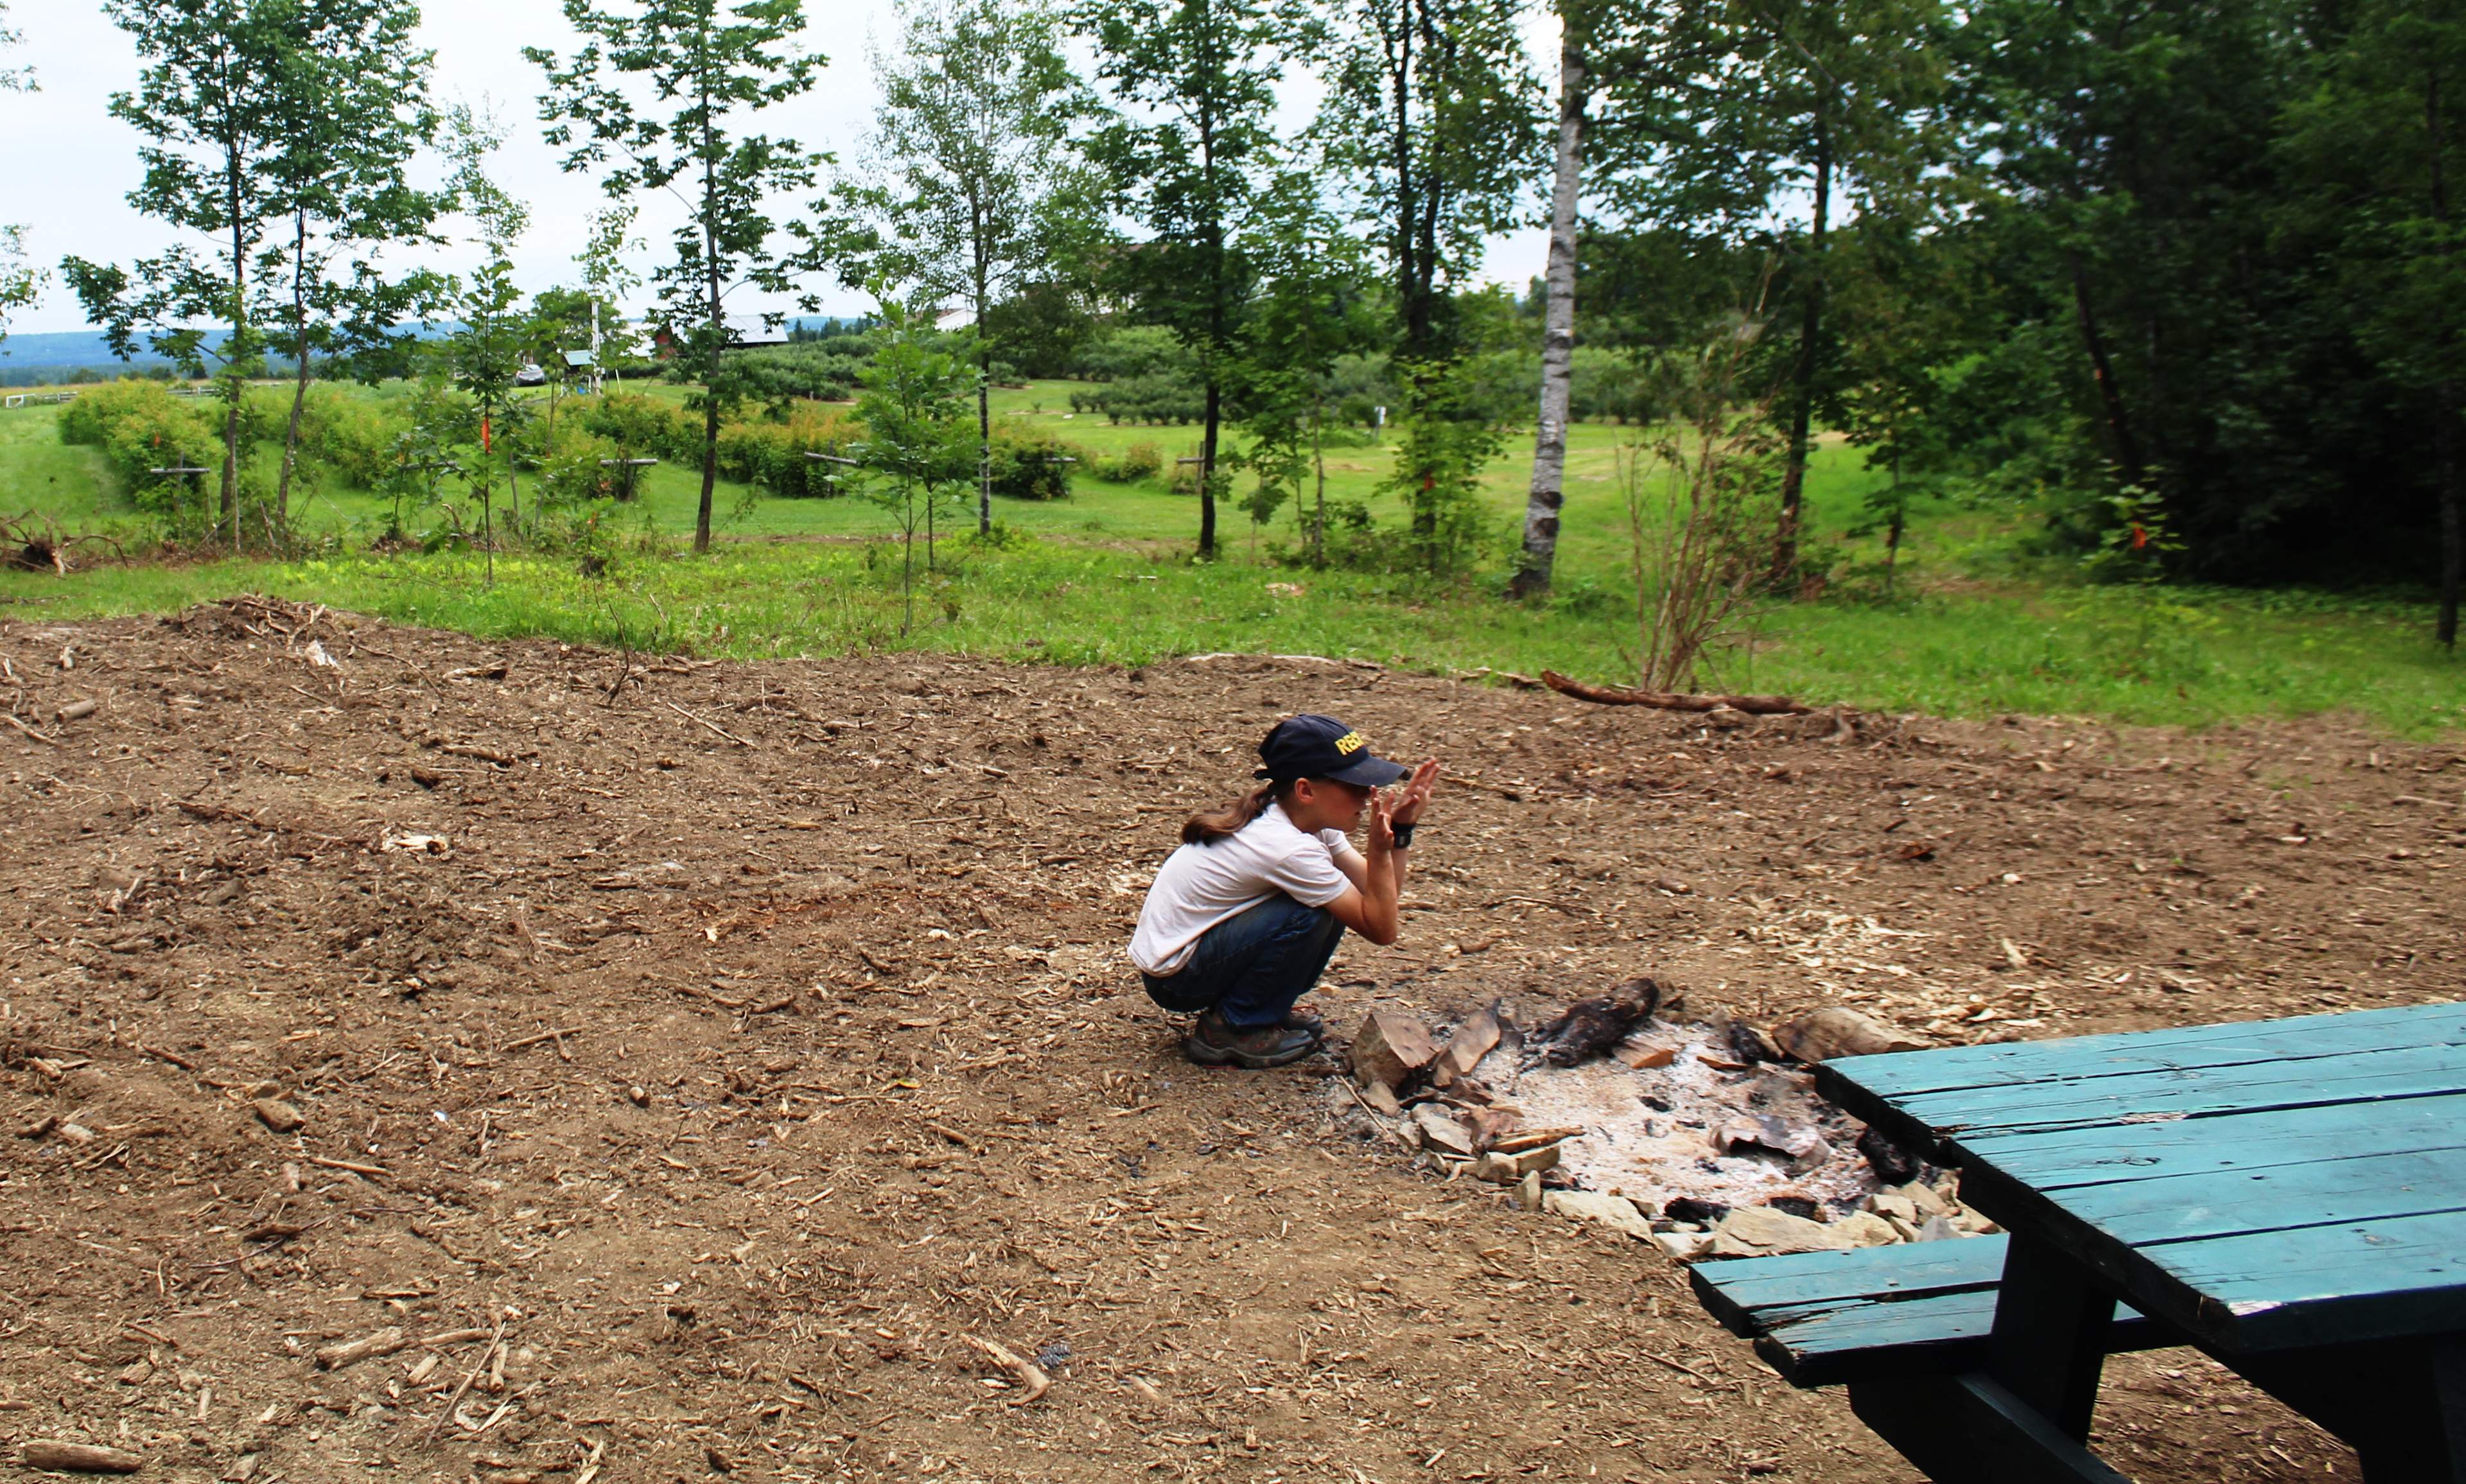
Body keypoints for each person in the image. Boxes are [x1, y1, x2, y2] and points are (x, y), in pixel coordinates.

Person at [1128, 714, 1441, 1069]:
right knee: (1311, 910)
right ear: (1306, 790)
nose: (1369, 797)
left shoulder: (1305, 821)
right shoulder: (1287, 847)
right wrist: (1380, 851)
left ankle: (1260, 1009)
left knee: (1334, 899)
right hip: (1178, 977)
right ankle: (1233, 1028)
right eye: (1354, 786)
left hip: (1201, 954)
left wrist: (1401, 830)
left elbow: (1379, 897)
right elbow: (1382, 929)